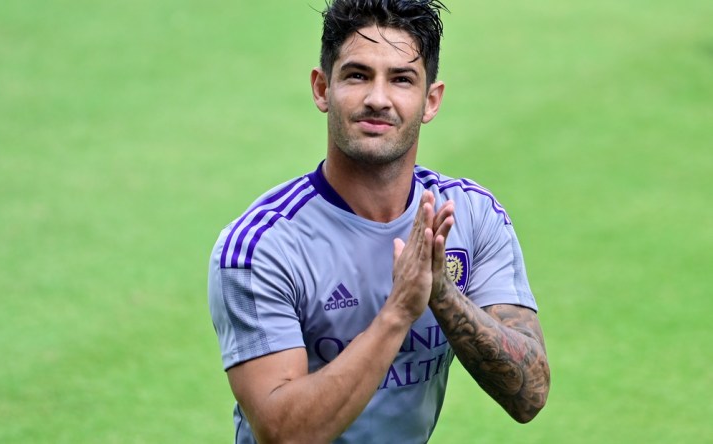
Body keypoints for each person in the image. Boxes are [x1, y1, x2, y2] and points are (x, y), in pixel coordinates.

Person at [207, 1, 551, 442]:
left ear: (431, 100)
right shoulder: (262, 246)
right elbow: (284, 434)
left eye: (401, 79)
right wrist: (399, 312)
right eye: (357, 75)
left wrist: (441, 293)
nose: (378, 98)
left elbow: (530, 395)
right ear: (321, 88)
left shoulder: (471, 216)